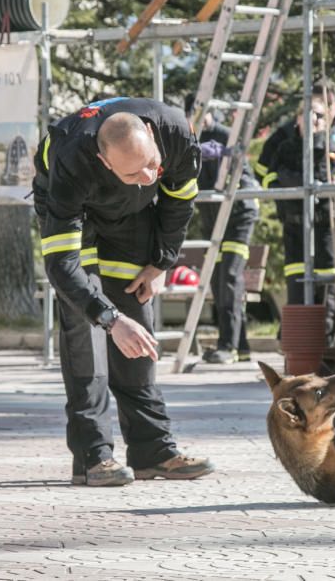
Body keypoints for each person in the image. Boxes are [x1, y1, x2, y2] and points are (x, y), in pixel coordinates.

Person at [32, 96, 215, 486]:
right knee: (87, 333)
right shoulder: (71, 162)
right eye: (134, 174)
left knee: (140, 324)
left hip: (131, 216)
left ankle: (154, 451)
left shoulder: (176, 133)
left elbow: (179, 200)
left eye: (152, 165)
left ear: (151, 135)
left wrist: (162, 262)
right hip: (74, 211)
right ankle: (93, 457)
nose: (149, 177)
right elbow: (62, 267)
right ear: (105, 162)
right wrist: (110, 319)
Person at [185, 94, 259, 365]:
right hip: (213, 220)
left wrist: (224, 154)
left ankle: (229, 346)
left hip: (238, 215)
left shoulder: (225, 135)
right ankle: (240, 346)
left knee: (229, 276)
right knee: (219, 282)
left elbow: (244, 176)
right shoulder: (189, 140)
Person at [273, 92, 335, 343]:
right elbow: (275, 177)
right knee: (297, 283)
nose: (313, 120)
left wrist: (317, 141)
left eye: (319, 115)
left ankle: (326, 342)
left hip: (325, 224)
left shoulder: (333, 145)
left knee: (327, 285)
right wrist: (300, 184)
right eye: (308, 114)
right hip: (294, 226)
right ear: (297, 119)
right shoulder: (285, 147)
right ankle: (299, 342)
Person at [255, 78, 335, 189]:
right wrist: (284, 183)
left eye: (328, 104)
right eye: (311, 110)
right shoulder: (286, 134)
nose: (314, 117)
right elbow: (264, 172)